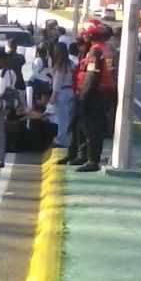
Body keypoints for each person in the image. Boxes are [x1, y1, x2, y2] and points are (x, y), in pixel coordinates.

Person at [58, 20, 116, 172]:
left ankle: (92, 160)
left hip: (94, 95)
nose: (82, 37)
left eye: (84, 34)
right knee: (80, 126)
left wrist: (84, 97)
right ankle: (82, 155)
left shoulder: (95, 51)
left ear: (89, 35)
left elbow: (92, 77)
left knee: (92, 128)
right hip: (98, 94)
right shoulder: (105, 49)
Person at [49, 42, 74, 148]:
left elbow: (57, 82)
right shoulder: (71, 63)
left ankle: (62, 140)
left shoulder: (60, 65)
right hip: (71, 90)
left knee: (61, 118)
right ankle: (68, 139)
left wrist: (53, 95)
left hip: (62, 92)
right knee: (68, 117)